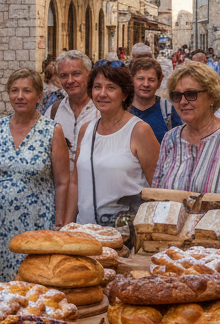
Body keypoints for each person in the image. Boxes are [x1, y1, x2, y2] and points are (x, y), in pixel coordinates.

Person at [0, 69, 70, 284]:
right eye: (14, 90)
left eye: (26, 91)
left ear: (38, 96)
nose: (19, 96)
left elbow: (63, 181)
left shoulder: (52, 130)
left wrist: (60, 222)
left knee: (33, 284)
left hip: (37, 223)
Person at [153, 64, 220, 195]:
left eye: (190, 94)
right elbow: (157, 193)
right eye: (177, 95)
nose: (182, 101)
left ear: (212, 96)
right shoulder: (170, 139)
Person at [72, 63, 160, 225]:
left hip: (125, 233)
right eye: (97, 87)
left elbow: (158, 187)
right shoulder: (86, 130)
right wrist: (65, 223)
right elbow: (75, 182)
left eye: (111, 88)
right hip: (84, 230)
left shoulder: (139, 130)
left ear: (125, 94)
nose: (102, 94)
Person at [49, 50, 99, 159]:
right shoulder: (53, 112)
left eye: (76, 74)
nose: (70, 81)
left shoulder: (102, 111)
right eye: (64, 76)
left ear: (89, 75)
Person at [129, 57, 181, 144]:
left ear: (159, 82)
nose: (146, 84)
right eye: (140, 79)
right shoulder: (121, 109)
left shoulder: (168, 110)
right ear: (131, 80)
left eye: (151, 80)